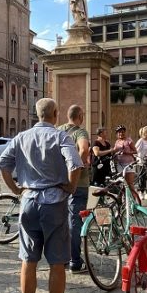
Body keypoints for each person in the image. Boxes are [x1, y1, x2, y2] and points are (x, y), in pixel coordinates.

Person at [0, 98, 83, 293]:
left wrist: (16, 190)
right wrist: (71, 188)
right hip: (54, 202)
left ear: (37, 115)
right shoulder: (61, 136)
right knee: (56, 263)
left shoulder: (21, 137)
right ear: (55, 114)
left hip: (28, 201)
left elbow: (3, 165)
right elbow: (75, 164)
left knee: (28, 260)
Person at [57, 104, 91, 274]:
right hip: (79, 183)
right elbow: (84, 149)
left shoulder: (58, 131)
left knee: (62, 220)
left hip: (59, 183)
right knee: (75, 222)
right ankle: (75, 261)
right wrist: (77, 166)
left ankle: (61, 258)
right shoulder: (80, 132)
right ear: (80, 116)